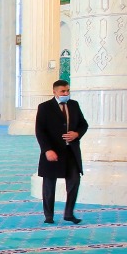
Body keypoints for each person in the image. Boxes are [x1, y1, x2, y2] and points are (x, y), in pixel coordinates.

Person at [35, 79, 88, 224]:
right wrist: (47, 150)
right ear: (55, 92)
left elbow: (83, 124)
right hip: (53, 151)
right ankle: (49, 216)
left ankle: (69, 214)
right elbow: (40, 131)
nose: (66, 93)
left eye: (67, 90)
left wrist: (77, 134)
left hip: (71, 151)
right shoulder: (45, 107)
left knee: (74, 181)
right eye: (63, 91)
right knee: (49, 185)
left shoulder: (74, 105)